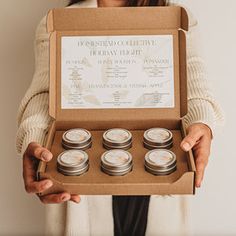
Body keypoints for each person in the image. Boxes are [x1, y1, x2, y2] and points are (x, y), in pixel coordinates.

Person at [16, 0, 224, 235]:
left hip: (161, 170)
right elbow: (44, 95)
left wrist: (202, 123)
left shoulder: (178, 17)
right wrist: (33, 137)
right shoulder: (57, 22)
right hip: (80, 186)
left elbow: (195, 86)